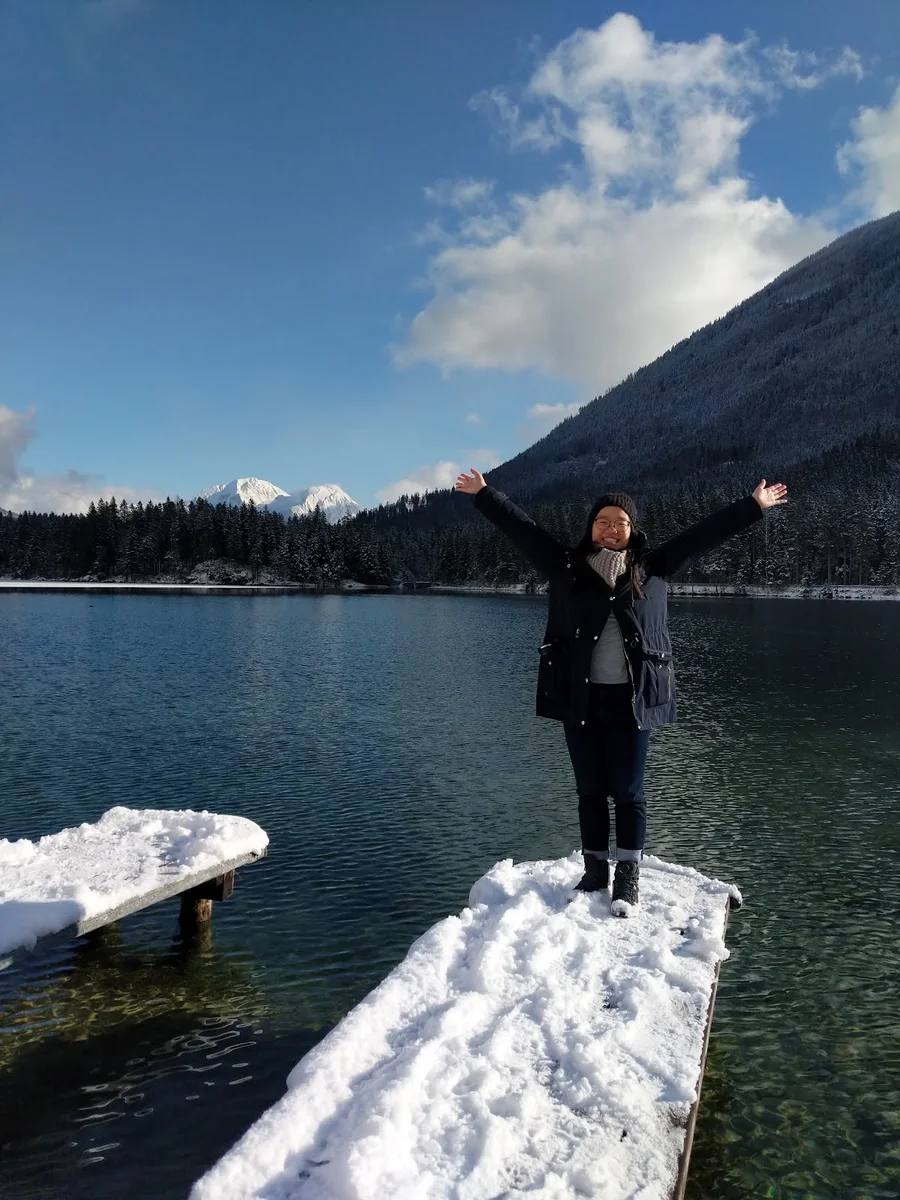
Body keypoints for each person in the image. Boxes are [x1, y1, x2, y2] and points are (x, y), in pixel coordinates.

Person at [454, 469, 788, 915]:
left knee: (628, 792)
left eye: (620, 522)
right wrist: (485, 495)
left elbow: (702, 536)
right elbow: (523, 529)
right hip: (581, 699)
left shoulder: (654, 568)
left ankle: (627, 876)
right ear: (591, 527)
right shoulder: (565, 567)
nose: (611, 529)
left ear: (633, 529)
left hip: (633, 700)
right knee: (590, 790)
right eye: (602, 521)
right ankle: (595, 871)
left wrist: (753, 506)